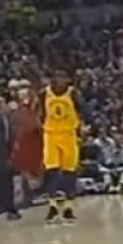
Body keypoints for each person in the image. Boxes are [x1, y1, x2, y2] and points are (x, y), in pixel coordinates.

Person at [42, 73, 84, 225]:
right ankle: (52, 206)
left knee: (70, 172)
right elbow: (40, 112)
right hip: (51, 135)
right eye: (58, 78)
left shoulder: (73, 93)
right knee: (51, 170)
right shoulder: (44, 93)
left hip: (69, 135)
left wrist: (84, 127)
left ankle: (68, 207)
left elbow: (83, 110)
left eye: (63, 79)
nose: (61, 81)